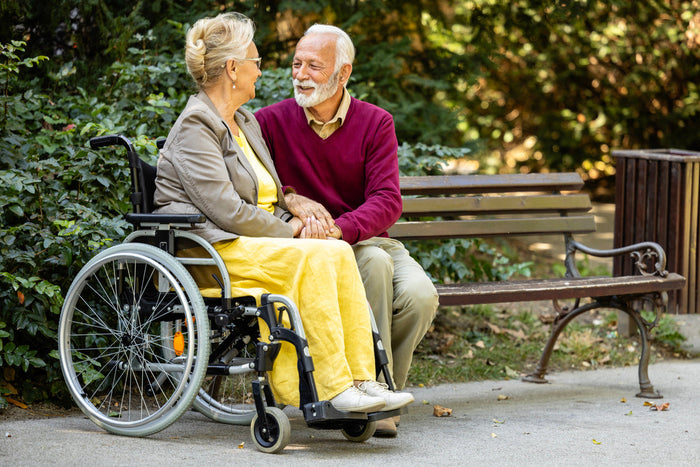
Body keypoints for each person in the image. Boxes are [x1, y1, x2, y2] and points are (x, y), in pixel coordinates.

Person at [153, 12, 414, 415]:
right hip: (213, 250)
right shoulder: (196, 126)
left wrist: (291, 202)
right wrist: (291, 229)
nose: (262, 71)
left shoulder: (242, 122)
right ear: (233, 68)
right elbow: (227, 211)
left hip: (250, 243)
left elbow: (268, 189)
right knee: (319, 256)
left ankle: (362, 378)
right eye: (256, 62)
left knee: (336, 251)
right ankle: (334, 386)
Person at [256, 24, 439, 436]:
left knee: (421, 296)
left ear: (343, 74)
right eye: (296, 64)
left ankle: (383, 389)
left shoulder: (375, 123)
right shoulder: (269, 122)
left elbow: (388, 200)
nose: (300, 74)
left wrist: (340, 229)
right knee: (372, 266)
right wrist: (290, 197)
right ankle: (370, 400)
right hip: (313, 250)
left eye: (314, 67)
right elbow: (253, 183)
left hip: (363, 237)